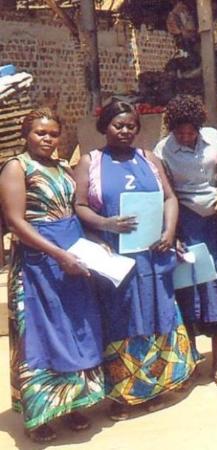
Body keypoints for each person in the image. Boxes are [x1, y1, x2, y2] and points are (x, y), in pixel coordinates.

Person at [74, 101, 195, 421]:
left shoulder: (149, 159)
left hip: (153, 256)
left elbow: (170, 197)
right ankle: (124, 396)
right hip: (116, 258)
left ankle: (159, 387)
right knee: (123, 318)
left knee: (158, 313)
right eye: (118, 125)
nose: (125, 131)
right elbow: (80, 205)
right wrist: (105, 223)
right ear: (105, 127)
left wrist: (169, 231)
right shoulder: (91, 162)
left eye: (130, 126)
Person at [0, 108, 104, 443]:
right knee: (40, 336)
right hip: (39, 263)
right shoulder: (17, 167)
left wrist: (95, 242)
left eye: (53, 134)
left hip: (72, 260)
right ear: (25, 134)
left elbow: (76, 211)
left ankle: (72, 403)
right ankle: (39, 414)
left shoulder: (62, 168)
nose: (47, 139)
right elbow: (16, 222)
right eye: (40, 133)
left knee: (73, 330)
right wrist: (59, 255)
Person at [154, 95, 217, 388]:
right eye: (180, 132)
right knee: (189, 291)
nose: (187, 137)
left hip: (215, 222)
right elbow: (165, 194)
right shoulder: (163, 150)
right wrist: (172, 232)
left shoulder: (214, 138)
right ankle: (188, 363)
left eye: (191, 132)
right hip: (186, 223)